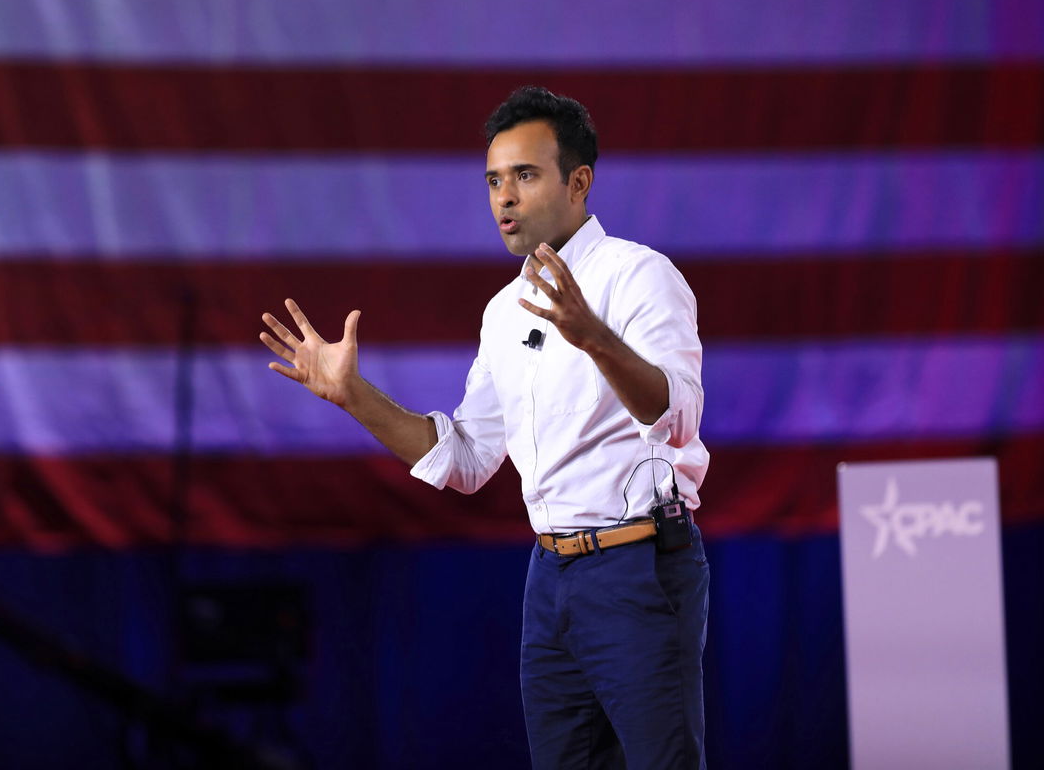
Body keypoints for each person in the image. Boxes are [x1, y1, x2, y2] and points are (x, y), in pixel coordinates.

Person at [260, 86, 711, 769]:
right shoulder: (505, 311)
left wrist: (594, 338)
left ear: (578, 181)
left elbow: (673, 414)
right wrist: (354, 396)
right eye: (494, 180)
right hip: (550, 580)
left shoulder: (640, 277)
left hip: (639, 567)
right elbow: (467, 459)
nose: (504, 198)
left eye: (525, 176)